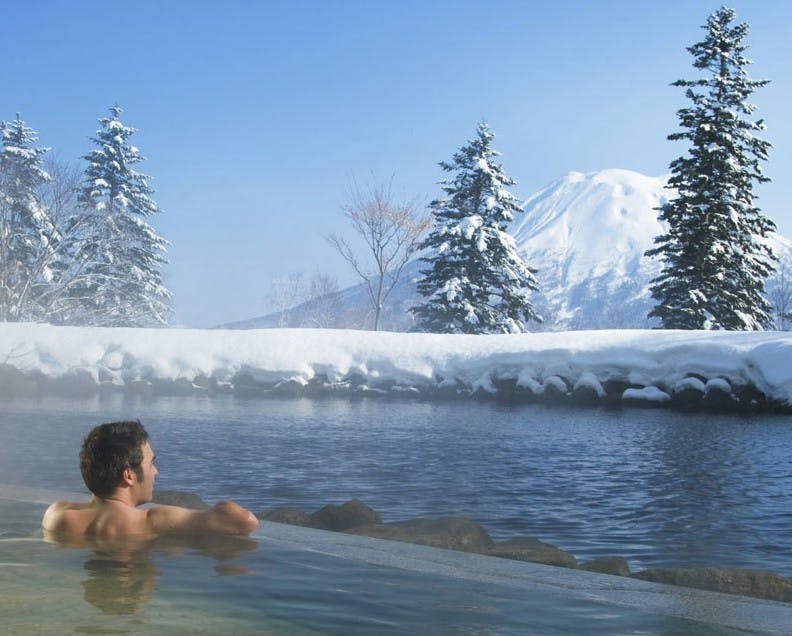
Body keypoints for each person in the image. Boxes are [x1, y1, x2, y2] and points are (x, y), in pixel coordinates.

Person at [42, 420, 259, 539]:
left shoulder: (57, 514)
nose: (156, 472)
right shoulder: (150, 522)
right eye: (151, 463)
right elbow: (244, 521)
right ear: (128, 475)